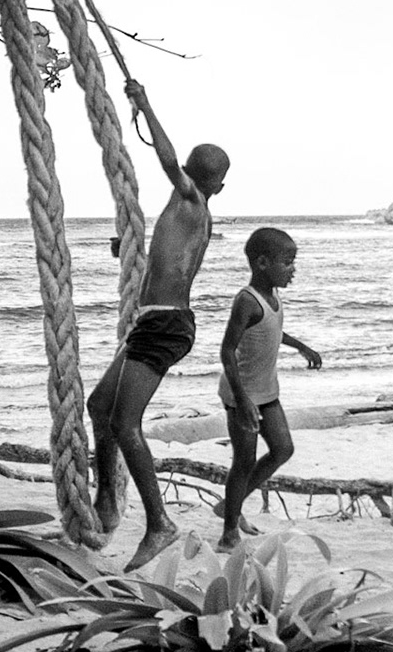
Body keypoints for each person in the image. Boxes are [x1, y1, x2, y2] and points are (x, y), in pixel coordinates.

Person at [85, 80, 228, 571]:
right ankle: (106, 495)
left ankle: (158, 523)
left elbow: (168, 161)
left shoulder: (189, 199)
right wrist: (131, 254)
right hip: (156, 321)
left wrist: (144, 105)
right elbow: (168, 266)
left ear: (192, 176)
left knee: (124, 422)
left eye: (184, 172)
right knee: (99, 405)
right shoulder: (191, 212)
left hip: (165, 325)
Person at [217, 227, 324, 551]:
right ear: (263, 263)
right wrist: (243, 401)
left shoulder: (272, 296)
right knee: (244, 462)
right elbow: (226, 351)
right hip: (242, 397)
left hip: (267, 392)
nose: (293, 269)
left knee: (282, 449)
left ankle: (230, 507)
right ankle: (228, 534)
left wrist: (301, 346)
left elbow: (272, 330)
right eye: (288, 262)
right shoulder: (246, 301)